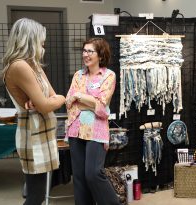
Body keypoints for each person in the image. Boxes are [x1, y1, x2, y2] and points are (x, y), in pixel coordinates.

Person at [1, 18, 65, 205]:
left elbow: (55, 98)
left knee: (39, 192)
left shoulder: (33, 64)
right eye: (41, 38)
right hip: (32, 132)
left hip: (43, 129)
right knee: (36, 195)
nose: (43, 42)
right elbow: (47, 105)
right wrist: (52, 100)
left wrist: (53, 99)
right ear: (30, 39)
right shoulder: (19, 66)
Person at [65, 37, 120, 205]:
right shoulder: (78, 75)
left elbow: (103, 110)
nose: (86, 54)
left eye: (90, 51)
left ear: (100, 55)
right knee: (80, 178)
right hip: (75, 129)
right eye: (84, 50)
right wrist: (92, 102)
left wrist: (80, 96)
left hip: (96, 131)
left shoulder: (109, 76)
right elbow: (69, 103)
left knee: (93, 173)